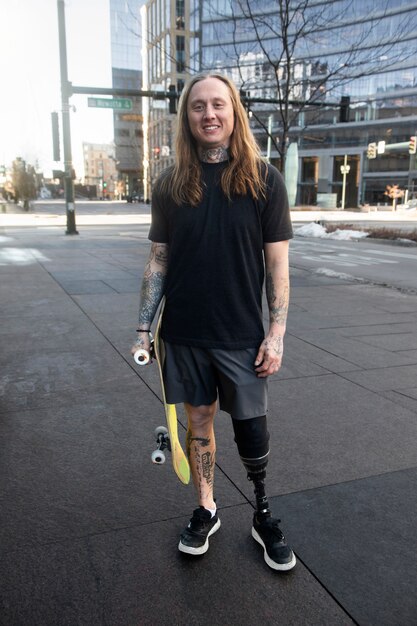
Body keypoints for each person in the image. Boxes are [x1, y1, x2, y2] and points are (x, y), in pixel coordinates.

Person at [131, 73, 295, 572]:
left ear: (234, 112)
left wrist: (277, 332)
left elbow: (278, 266)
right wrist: (143, 326)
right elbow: (159, 260)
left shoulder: (263, 180)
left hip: (242, 334)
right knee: (198, 423)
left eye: (218, 105)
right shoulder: (170, 183)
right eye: (198, 106)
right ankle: (207, 506)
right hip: (184, 331)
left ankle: (262, 513)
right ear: (187, 116)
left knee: (252, 432)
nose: (209, 114)